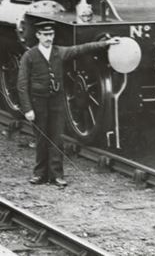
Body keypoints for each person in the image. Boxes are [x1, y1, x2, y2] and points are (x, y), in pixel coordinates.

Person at [17, 20, 119, 187]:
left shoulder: (59, 52)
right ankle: (39, 174)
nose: (49, 38)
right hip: (38, 102)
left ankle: (57, 175)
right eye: (45, 35)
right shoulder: (29, 56)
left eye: (51, 35)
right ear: (38, 36)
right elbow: (21, 85)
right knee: (41, 138)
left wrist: (106, 43)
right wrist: (27, 108)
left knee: (57, 138)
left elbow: (81, 48)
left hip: (56, 101)